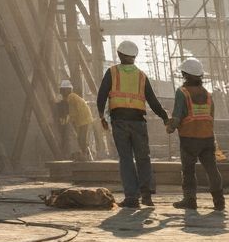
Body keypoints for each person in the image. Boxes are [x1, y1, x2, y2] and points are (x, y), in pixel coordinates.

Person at [96, 39, 169, 208]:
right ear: (134, 57)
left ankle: (131, 198)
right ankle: (147, 196)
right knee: (144, 158)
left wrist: (102, 118)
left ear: (119, 54)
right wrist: (165, 117)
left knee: (126, 159)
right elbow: (153, 101)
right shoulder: (141, 76)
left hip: (119, 121)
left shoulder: (112, 72)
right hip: (138, 123)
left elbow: (101, 97)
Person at [166, 57, 225, 212]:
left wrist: (170, 126)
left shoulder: (182, 92)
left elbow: (178, 116)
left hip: (189, 139)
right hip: (207, 138)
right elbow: (210, 116)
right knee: (212, 169)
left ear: (185, 75)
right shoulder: (208, 94)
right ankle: (219, 201)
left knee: (188, 170)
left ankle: (190, 200)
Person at [57, 79, 96, 160]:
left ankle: (85, 156)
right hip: (84, 119)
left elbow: (73, 112)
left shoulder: (71, 97)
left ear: (67, 90)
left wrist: (68, 120)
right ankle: (86, 155)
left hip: (84, 119)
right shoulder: (72, 97)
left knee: (82, 138)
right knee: (80, 138)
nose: (63, 93)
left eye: (63, 91)